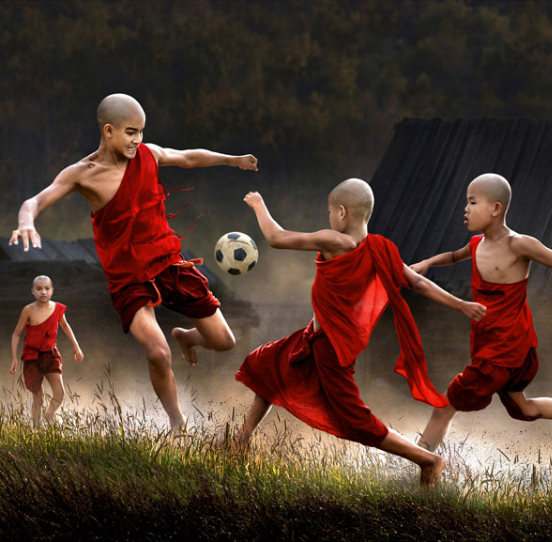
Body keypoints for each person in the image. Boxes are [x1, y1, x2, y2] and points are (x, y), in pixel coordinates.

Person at [9, 93, 258, 431]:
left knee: (224, 341)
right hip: (129, 280)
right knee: (158, 353)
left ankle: (187, 336)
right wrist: (26, 222)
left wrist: (232, 160)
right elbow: (34, 201)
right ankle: (177, 424)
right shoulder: (82, 174)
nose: (137, 140)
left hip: (169, 263)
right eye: (130, 132)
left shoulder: (148, 155)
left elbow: (186, 157)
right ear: (108, 130)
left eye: (141, 132)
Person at [234, 179, 487, 489]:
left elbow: (276, 237)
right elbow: (418, 283)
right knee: (268, 366)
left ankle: (428, 459)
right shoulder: (382, 248)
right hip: (313, 339)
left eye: (329, 212)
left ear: (342, 212)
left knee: (356, 420)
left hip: (331, 347)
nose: (329, 218)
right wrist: (460, 304)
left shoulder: (336, 241)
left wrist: (258, 204)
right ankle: (239, 442)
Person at [410, 173, 552, 452]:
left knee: (444, 405)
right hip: (496, 347)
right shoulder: (475, 245)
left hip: (504, 350)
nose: (466, 208)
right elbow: (452, 256)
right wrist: (426, 262)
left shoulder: (518, 245)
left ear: (496, 209)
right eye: (466, 202)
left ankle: (421, 470)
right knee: (525, 408)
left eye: (473, 202)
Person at [10, 275, 84, 428]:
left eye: (46, 288)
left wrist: (76, 346)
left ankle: (49, 414)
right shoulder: (28, 310)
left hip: (50, 354)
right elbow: (16, 334)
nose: (43, 292)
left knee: (59, 393)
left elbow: (65, 326)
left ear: (52, 290)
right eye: (39, 289)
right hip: (32, 357)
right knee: (39, 397)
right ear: (33, 291)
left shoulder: (57, 308)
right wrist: (14, 358)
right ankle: (36, 429)